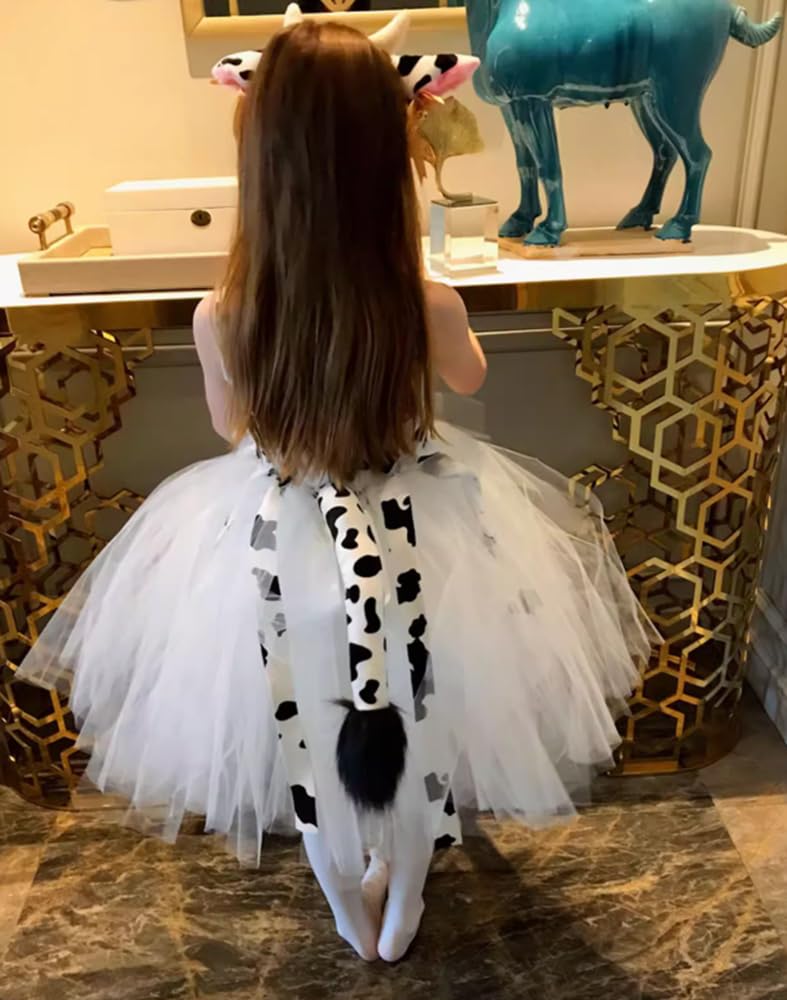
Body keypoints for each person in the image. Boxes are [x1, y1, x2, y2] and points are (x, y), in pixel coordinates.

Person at [17, 21, 656, 964]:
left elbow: (230, 428)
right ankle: (403, 898)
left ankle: (348, 904)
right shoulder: (425, 302)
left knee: (305, 727)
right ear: (390, 157)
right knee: (417, 711)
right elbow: (470, 378)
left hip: (277, 545)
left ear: (262, 162)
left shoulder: (222, 314)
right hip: (417, 538)